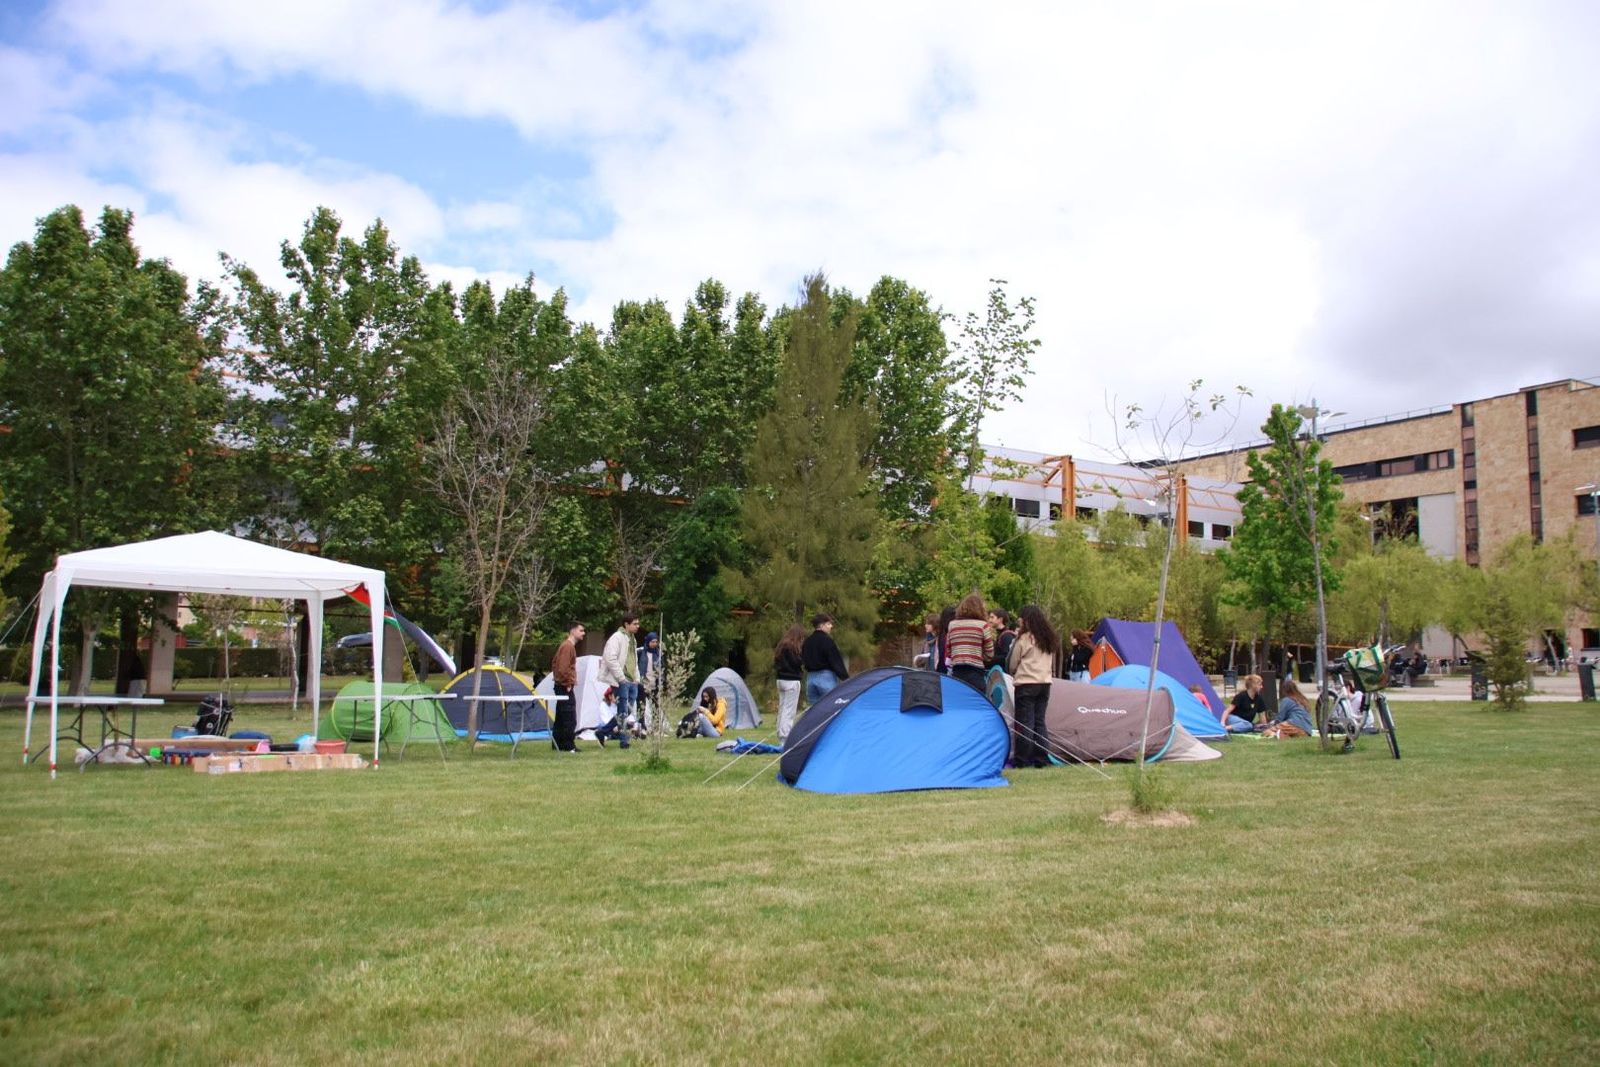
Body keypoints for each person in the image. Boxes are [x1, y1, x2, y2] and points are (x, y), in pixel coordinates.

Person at [1008, 605, 1059, 768]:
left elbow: (1013, 662)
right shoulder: (1048, 639)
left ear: (1026, 620)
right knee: (1039, 722)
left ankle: (1022, 760)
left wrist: (1014, 672)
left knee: (1025, 723)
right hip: (1045, 683)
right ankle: (1041, 758)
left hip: (1027, 683)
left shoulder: (1025, 639)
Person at [945, 592, 994, 691]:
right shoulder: (983, 625)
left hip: (957, 672)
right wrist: (976, 654)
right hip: (976, 673)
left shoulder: (952, 625)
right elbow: (990, 654)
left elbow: (948, 651)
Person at [598, 614, 641, 726]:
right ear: (626, 624)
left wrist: (637, 678)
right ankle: (622, 736)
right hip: (622, 680)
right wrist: (621, 678)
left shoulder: (632, 639)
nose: (638, 626)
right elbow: (610, 658)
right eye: (635, 624)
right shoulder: (617, 637)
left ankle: (604, 731)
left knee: (627, 711)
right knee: (623, 710)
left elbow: (633, 659)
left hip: (632, 680)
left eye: (638, 623)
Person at [550, 621, 584, 752]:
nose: (583, 633)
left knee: (561, 716)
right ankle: (568, 745)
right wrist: (568, 682)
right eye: (581, 630)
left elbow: (554, 663)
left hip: (561, 685)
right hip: (564, 686)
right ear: (573, 631)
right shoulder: (568, 646)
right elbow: (562, 667)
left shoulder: (565, 646)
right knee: (569, 716)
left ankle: (557, 743)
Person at [801, 612, 849, 704]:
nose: (831, 626)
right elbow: (835, 661)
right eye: (829, 624)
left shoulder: (807, 641)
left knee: (815, 709)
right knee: (830, 707)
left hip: (810, 679)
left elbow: (803, 658)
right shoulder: (827, 641)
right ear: (821, 625)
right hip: (826, 678)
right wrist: (845, 678)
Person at [774, 623, 805, 741]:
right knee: (789, 711)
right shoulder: (793, 648)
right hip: (791, 680)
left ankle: (780, 732)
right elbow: (797, 663)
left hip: (780, 679)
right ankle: (785, 736)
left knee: (782, 708)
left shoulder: (781, 646)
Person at [635, 631, 661, 735]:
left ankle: (656, 728)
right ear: (648, 641)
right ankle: (642, 727)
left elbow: (662, 668)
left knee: (656, 707)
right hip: (643, 684)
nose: (654, 644)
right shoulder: (640, 652)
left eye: (656, 642)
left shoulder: (658, 654)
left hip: (654, 684)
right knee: (641, 706)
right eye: (652, 642)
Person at [988, 608, 1017, 673]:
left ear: (1000, 619)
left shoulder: (1006, 636)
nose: (989, 620)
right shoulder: (999, 634)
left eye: (992, 617)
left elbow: (1006, 657)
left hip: (1002, 674)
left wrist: (989, 659)